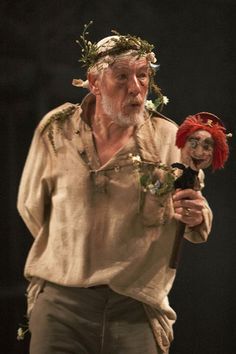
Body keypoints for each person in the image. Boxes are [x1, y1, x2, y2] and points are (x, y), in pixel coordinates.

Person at [17, 24, 213, 354]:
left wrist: (196, 216)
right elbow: (31, 207)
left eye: (142, 75)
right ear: (95, 83)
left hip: (135, 308)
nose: (136, 88)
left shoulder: (169, 138)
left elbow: (195, 214)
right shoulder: (57, 130)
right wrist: (75, 245)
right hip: (61, 306)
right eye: (122, 77)